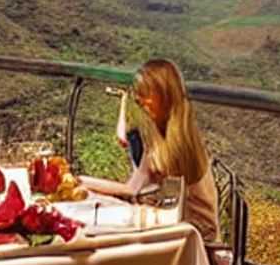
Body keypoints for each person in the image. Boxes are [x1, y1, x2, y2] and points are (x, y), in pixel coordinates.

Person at [80, 58, 220, 243]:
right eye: (138, 94)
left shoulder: (183, 144)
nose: (138, 99)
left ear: (164, 95)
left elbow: (172, 209)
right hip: (174, 230)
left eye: (145, 93)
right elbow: (131, 188)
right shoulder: (156, 137)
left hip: (196, 242)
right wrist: (81, 181)